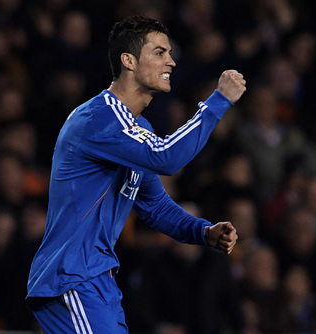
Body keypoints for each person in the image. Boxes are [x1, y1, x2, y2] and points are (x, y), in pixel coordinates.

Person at [26, 15, 245, 333]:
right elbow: (166, 157)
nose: (170, 61)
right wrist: (218, 101)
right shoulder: (98, 119)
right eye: (159, 52)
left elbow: (155, 206)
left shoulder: (136, 129)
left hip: (100, 282)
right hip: (70, 278)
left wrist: (203, 232)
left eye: (170, 53)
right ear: (128, 60)